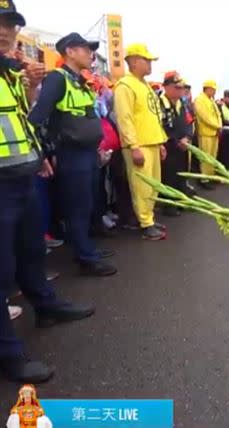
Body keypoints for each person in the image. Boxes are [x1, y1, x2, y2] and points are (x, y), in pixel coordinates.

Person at [0, 0, 95, 383]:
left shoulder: (10, 74)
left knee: (31, 251)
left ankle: (46, 306)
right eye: (0, 23)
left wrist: (38, 156)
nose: (7, 30)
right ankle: (8, 354)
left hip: (21, 177)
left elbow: (20, 122)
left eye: (10, 23)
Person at [28, 32, 116, 276]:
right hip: (71, 154)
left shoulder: (78, 80)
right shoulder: (57, 79)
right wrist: (44, 152)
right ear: (70, 51)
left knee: (87, 204)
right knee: (77, 207)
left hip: (88, 153)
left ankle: (88, 248)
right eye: (86, 49)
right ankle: (85, 258)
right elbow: (37, 118)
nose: (91, 54)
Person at [113, 43, 168, 241]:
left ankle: (149, 218)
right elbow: (124, 118)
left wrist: (160, 142)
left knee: (154, 185)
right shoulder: (124, 85)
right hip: (139, 145)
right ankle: (145, 223)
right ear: (135, 61)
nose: (150, 64)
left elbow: (154, 116)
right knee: (142, 187)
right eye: (147, 60)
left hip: (152, 142)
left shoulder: (144, 85)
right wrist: (134, 146)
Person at [159, 72, 192, 216]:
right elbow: (160, 126)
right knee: (169, 176)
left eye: (181, 88)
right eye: (177, 87)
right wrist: (176, 141)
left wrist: (187, 137)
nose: (180, 90)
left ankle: (181, 201)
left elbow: (189, 123)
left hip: (182, 146)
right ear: (166, 87)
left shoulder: (182, 103)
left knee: (181, 175)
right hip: (168, 146)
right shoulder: (159, 103)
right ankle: (169, 206)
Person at [193, 80, 222, 188]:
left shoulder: (211, 100)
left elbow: (218, 114)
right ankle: (204, 179)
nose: (214, 91)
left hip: (214, 132)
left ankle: (211, 176)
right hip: (205, 133)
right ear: (207, 89)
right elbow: (205, 117)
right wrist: (218, 126)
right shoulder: (200, 100)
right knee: (205, 157)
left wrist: (219, 125)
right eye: (213, 89)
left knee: (212, 156)